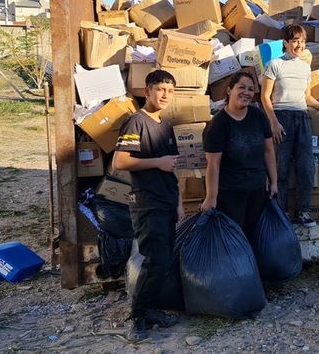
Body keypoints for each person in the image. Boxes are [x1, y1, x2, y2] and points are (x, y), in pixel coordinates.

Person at [114, 69, 184, 342]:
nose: (166, 95)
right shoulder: (136, 122)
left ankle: (152, 310)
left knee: (163, 261)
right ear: (148, 91)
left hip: (166, 202)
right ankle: (137, 318)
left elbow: (173, 167)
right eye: (160, 89)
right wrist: (156, 162)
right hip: (146, 203)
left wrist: (178, 202)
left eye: (170, 91)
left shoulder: (165, 125)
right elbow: (119, 162)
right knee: (154, 261)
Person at [261, 25, 319, 227]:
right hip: (281, 118)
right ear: (285, 43)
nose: (298, 45)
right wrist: (273, 122)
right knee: (281, 169)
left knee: (306, 168)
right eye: (294, 41)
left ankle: (304, 212)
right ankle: (281, 213)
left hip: (302, 118)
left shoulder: (304, 67)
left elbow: (307, 96)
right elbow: (265, 97)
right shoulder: (275, 64)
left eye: (301, 41)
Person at [201, 71, 278, 239]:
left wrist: (274, 182)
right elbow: (213, 164)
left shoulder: (258, 116)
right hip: (230, 194)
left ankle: (253, 265)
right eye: (241, 87)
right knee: (233, 237)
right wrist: (211, 197)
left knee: (255, 236)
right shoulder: (218, 125)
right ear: (229, 91)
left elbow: (269, 151)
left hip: (257, 190)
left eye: (251, 89)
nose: (247, 92)